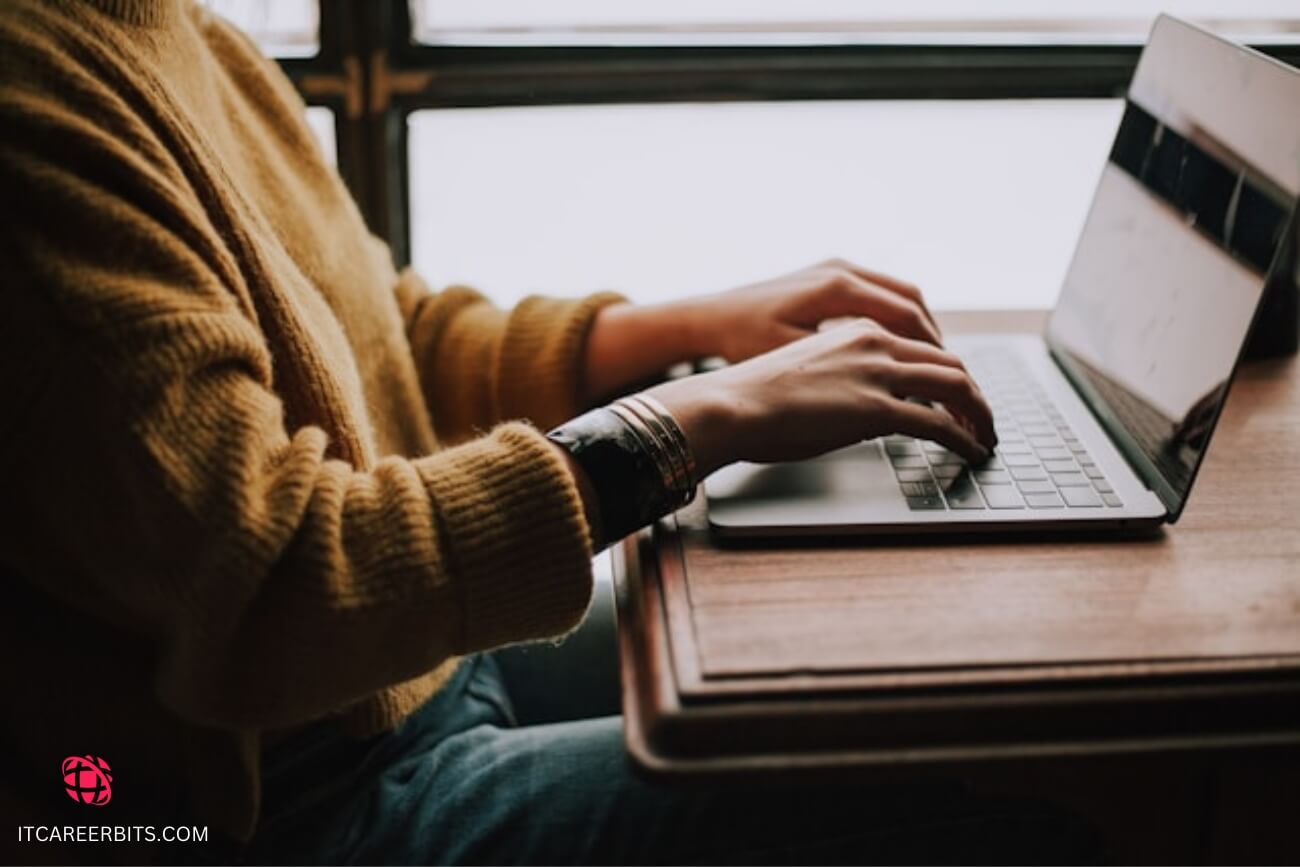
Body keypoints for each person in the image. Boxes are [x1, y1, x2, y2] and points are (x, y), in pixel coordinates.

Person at [1, 1, 1097, 864]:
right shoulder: (34, 104)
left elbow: (384, 336)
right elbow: (285, 582)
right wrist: (691, 421)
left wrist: (689, 327)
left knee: (914, 683)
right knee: (982, 795)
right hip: (280, 804)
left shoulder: (176, 29)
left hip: (412, 671)